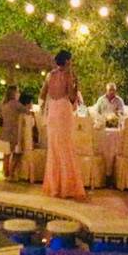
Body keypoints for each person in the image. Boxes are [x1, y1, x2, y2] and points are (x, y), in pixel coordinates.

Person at [40, 49, 86, 200]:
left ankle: (54, 187)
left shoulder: (49, 75)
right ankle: (67, 187)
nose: (71, 62)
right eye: (70, 60)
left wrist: (44, 108)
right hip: (63, 112)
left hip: (53, 112)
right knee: (66, 148)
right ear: (66, 61)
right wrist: (76, 85)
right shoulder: (68, 75)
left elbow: (42, 94)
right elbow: (72, 98)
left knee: (54, 149)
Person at [0, 85, 30, 179]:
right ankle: (10, 173)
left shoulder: (3, 103)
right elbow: (27, 111)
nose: (18, 94)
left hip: (3, 131)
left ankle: (6, 172)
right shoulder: (16, 104)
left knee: (6, 155)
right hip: (12, 132)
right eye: (17, 92)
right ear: (14, 93)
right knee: (14, 153)